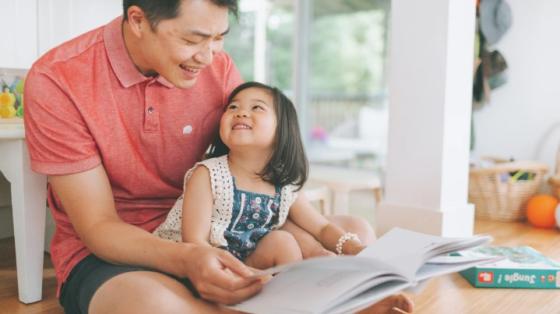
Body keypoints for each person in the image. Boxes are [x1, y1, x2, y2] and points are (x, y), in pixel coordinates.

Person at [23, 0, 413, 313]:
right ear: (138, 20)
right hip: (120, 253)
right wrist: (189, 259)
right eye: (194, 39)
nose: (209, 57)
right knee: (155, 305)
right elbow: (99, 227)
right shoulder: (57, 81)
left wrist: (326, 244)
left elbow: (251, 168)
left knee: (355, 231)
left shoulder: (218, 68)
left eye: (219, 38)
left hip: (221, 230)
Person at [154, 81, 366, 269]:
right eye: (233, 107)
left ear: (282, 129)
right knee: (284, 245)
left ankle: (290, 298)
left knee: (282, 242)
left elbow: (322, 227)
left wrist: (353, 247)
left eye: (256, 107)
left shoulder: (285, 185)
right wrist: (245, 274)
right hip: (202, 263)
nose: (240, 113)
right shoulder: (207, 174)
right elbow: (195, 242)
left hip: (247, 260)